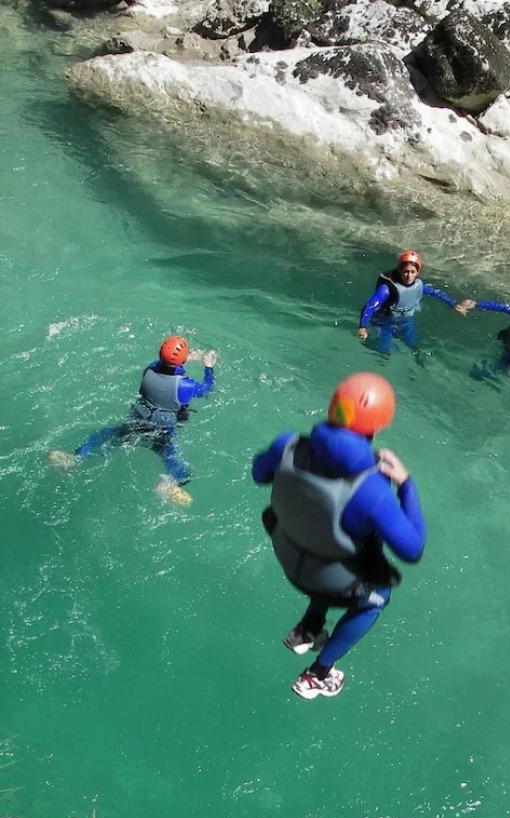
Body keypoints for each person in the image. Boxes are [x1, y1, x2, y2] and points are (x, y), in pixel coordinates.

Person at [253, 373, 426, 701]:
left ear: (333, 409)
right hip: (327, 576)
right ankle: (318, 674)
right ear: (376, 429)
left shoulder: (287, 445)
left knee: (332, 545)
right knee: (376, 594)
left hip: (288, 554)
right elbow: (412, 549)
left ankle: (309, 627)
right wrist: (406, 484)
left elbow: (258, 473)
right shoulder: (371, 489)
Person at [48, 335, 218, 506]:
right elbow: (206, 390)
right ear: (182, 359)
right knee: (179, 467)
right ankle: (169, 484)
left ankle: (75, 458)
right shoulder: (185, 385)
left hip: (136, 423)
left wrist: (186, 358)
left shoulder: (149, 370)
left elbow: (165, 365)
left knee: (105, 436)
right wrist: (208, 367)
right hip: (161, 432)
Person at [357, 250, 475, 362]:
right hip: (384, 323)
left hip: (405, 322)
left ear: (417, 273)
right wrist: (363, 327)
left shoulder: (418, 285)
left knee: (415, 347)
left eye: (412, 272)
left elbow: (436, 293)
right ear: (399, 270)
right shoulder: (387, 289)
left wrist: (453, 304)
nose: (409, 276)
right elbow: (370, 306)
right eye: (405, 271)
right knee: (384, 353)